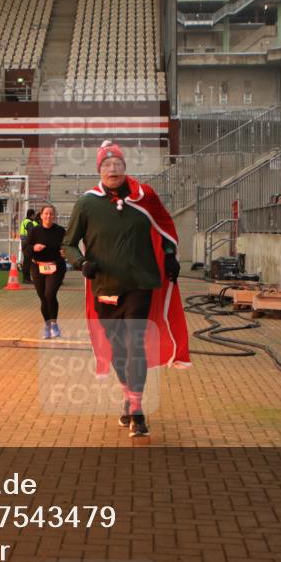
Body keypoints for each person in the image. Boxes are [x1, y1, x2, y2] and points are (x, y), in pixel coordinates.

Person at [63, 141, 191, 438]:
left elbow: (165, 227)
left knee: (135, 344)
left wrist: (170, 256)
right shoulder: (87, 203)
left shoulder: (144, 197)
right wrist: (81, 263)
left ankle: (137, 411)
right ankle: (128, 397)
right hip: (104, 286)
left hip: (140, 283)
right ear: (99, 170)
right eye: (106, 164)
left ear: (125, 168)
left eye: (117, 164)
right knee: (119, 349)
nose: (113, 168)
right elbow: (68, 244)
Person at [22, 204, 66, 338]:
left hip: (55, 266)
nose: (48, 216)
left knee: (49, 294)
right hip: (37, 267)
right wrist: (34, 248)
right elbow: (26, 249)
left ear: (54, 216)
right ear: (41, 216)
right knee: (43, 297)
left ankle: (54, 324)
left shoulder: (60, 231)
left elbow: (68, 246)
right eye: (46, 213)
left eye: (51, 214)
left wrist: (65, 252)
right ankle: (47, 326)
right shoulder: (35, 231)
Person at [18, 208, 38, 284]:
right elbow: (31, 233)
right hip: (28, 244)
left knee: (26, 261)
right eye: (34, 215)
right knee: (27, 262)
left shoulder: (24, 222)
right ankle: (26, 279)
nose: (35, 216)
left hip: (24, 243)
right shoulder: (29, 223)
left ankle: (26, 278)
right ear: (31, 215)